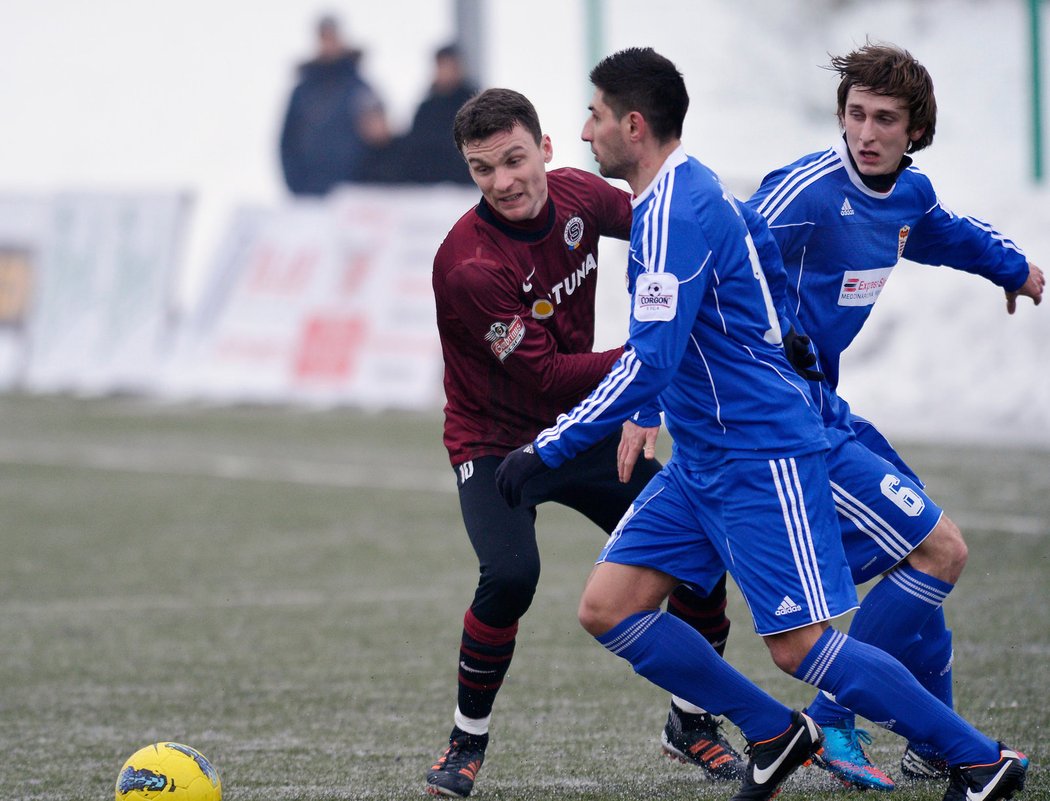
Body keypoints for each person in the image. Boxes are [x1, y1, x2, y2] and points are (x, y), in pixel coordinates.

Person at [496, 46, 1028, 801]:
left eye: (595, 116)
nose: (585, 131)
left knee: (804, 643)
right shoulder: (686, 193)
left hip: (759, 452)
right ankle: (777, 733)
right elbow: (756, 248)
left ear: (634, 126)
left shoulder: (675, 211)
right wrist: (781, 332)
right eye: (858, 114)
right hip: (704, 456)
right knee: (608, 607)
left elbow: (648, 362)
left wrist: (547, 447)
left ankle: (977, 759)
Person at [742, 40, 1044, 790]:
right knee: (934, 548)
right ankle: (834, 713)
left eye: (885, 119)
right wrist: (782, 336)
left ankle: (936, 741)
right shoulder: (807, 189)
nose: (867, 133)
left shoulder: (907, 195)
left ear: (914, 130)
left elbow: (946, 233)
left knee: (925, 560)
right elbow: (734, 255)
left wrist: (1016, 269)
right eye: (856, 115)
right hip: (780, 420)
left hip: (824, 411)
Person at [424, 87, 742, 799]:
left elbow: (670, 230)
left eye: (513, 159)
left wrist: (747, 242)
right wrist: (653, 359)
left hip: (584, 421)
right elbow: (544, 375)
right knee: (509, 577)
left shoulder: (577, 197)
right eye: (482, 169)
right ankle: (465, 740)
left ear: (546, 148)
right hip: (496, 441)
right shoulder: (470, 265)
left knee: (701, 548)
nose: (503, 181)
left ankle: (691, 725)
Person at [278, 14, 391, 195]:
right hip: (310, 194)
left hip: (354, 193)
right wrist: (297, 184)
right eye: (324, 37)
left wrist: (367, 182)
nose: (328, 43)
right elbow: (287, 141)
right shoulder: (302, 93)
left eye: (332, 37)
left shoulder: (360, 90)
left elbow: (382, 139)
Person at [399, 44, 478, 184]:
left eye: (449, 66)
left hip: (465, 186)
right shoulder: (427, 108)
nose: (444, 71)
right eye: (441, 66)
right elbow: (414, 147)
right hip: (429, 188)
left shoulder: (475, 106)